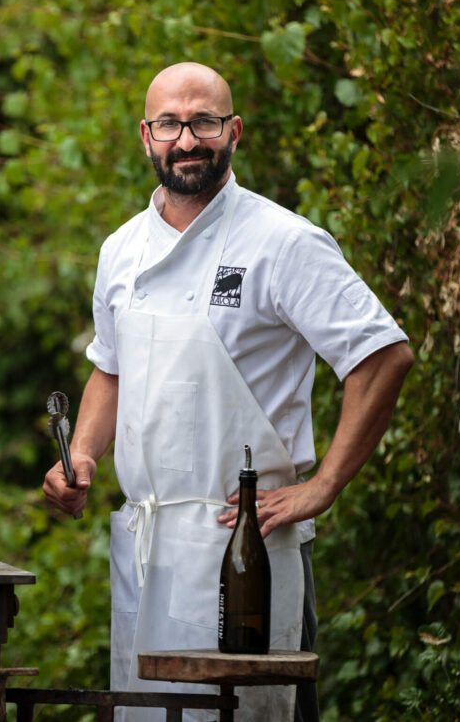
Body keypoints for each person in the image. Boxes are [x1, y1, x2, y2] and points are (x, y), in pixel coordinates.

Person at [42, 62, 414, 721]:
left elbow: (383, 355)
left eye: (204, 122)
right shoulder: (120, 251)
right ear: (145, 136)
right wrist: (87, 455)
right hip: (150, 551)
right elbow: (111, 370)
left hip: (245, 551)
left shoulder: (284, 242)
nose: (187, 140)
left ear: (233, 131)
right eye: (169, 124)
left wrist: (324, 484)